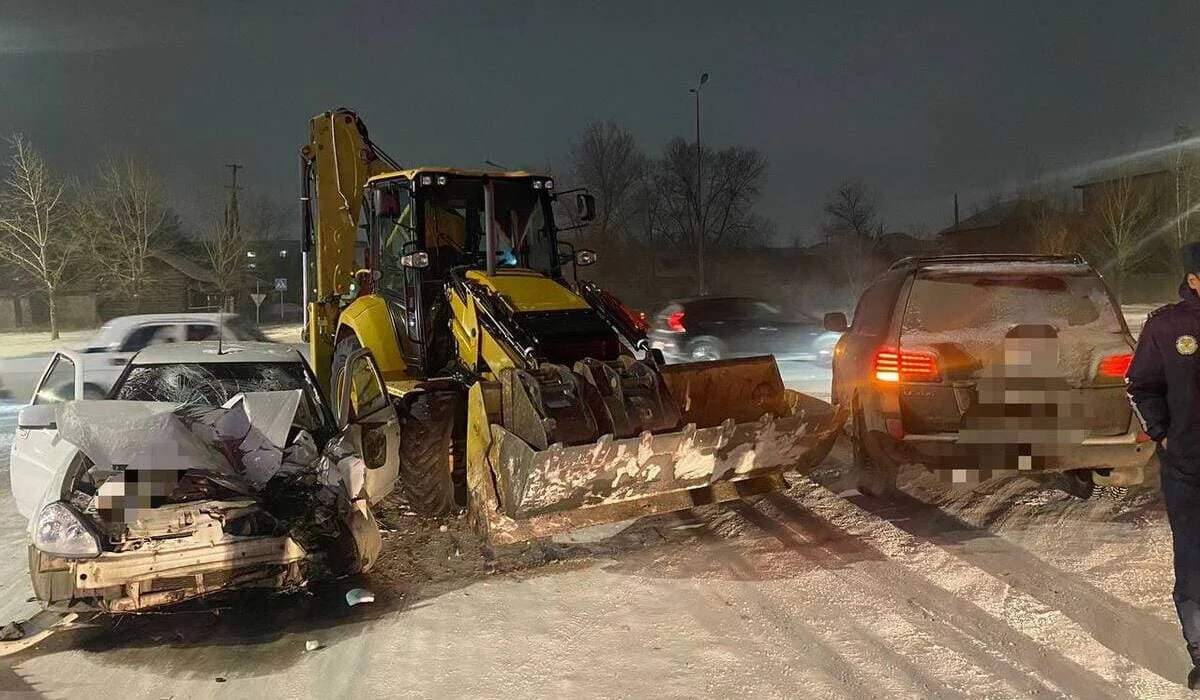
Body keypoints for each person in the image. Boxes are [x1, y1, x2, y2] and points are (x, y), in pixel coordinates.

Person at [1126, 242, 1200, 689]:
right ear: (1194, 279)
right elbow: (1140, 384)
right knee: (1194, 563)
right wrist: (1163, 433)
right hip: (1188, 468)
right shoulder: (1166, 326)